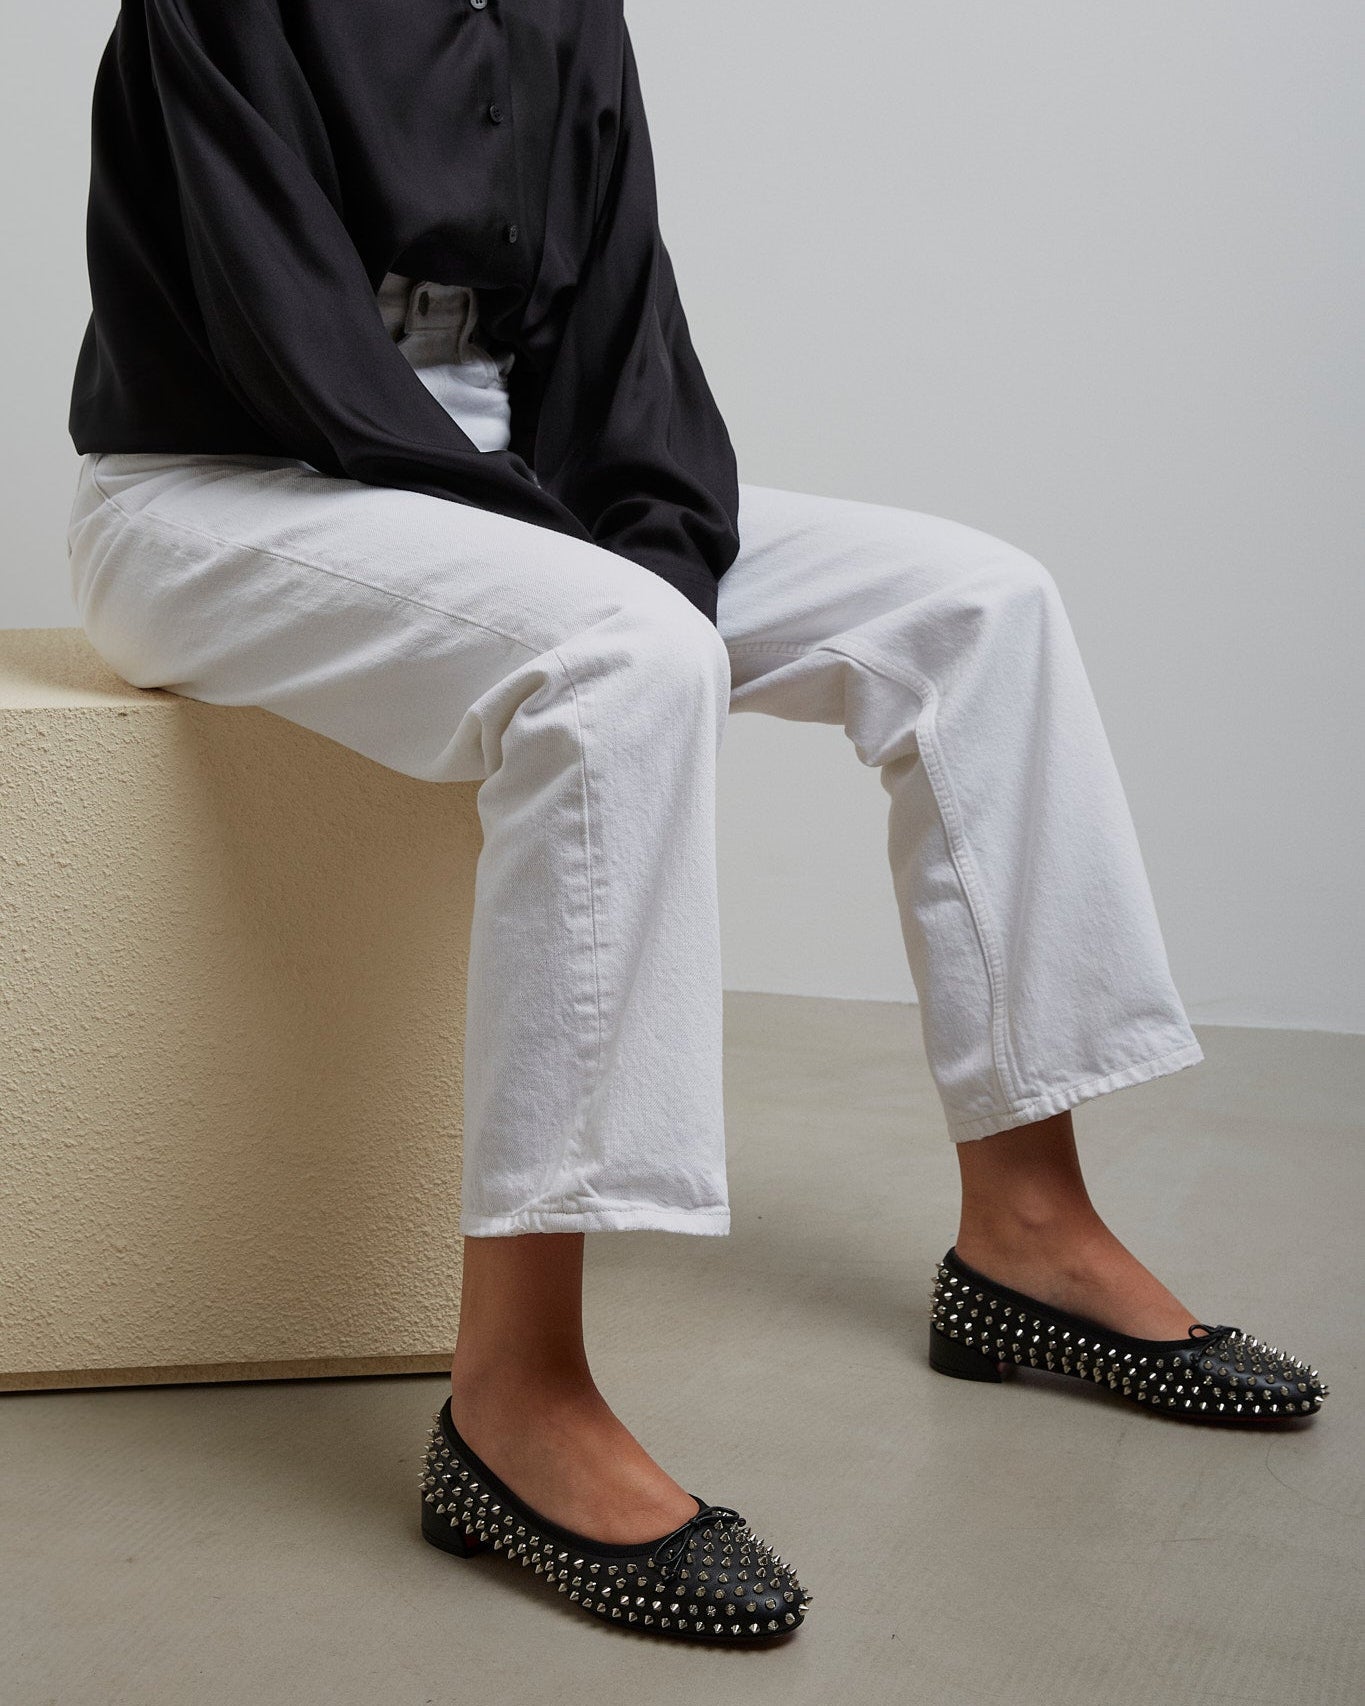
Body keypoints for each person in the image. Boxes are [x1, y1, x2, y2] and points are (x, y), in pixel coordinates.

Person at [64, 0, 1327, 1646]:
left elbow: (616, 342)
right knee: (625, 653)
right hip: (217, 490)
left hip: (509, 475)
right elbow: (280, 331)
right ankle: (514, 1394)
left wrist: (650, 543)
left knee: (974, 603)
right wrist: (614, 591)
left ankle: (1031, 1233)